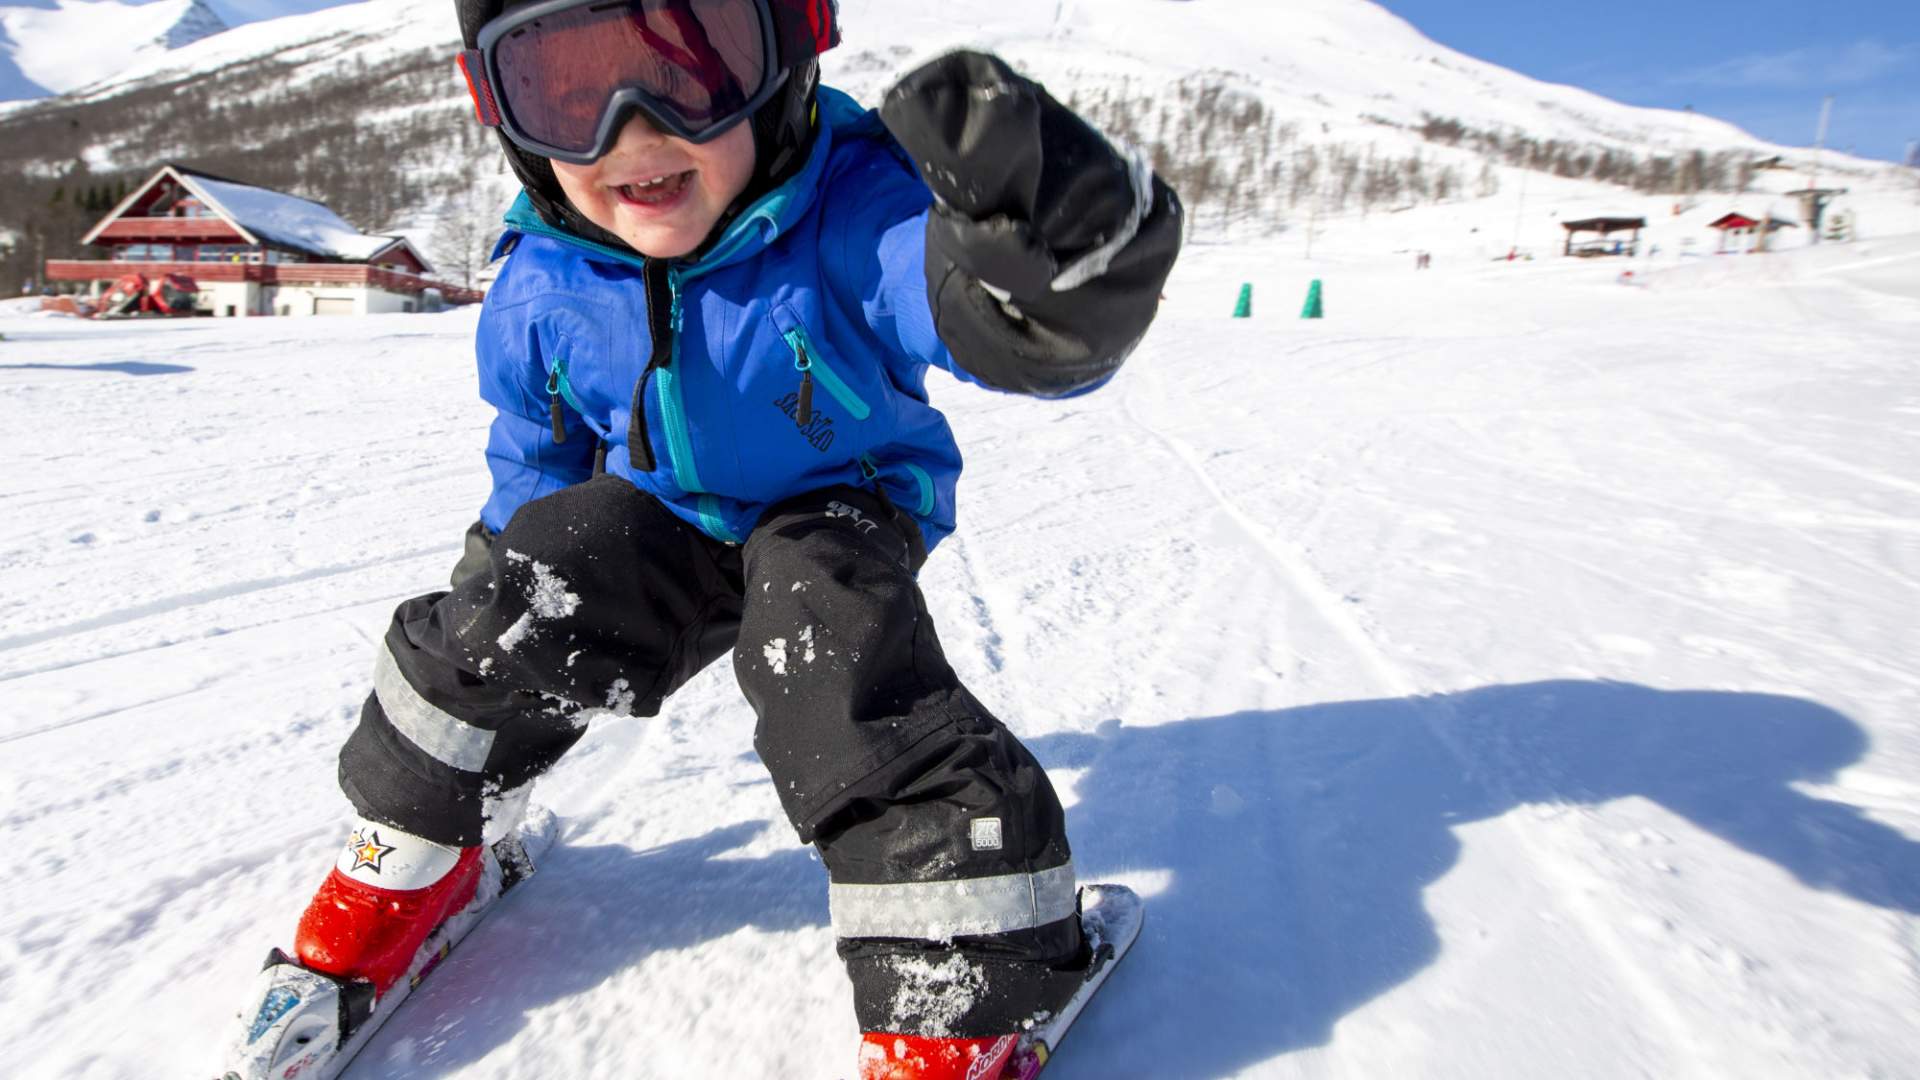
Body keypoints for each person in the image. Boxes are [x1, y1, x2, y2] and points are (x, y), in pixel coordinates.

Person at [278, 1, 1181, 1077]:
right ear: (507, 114)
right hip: (667, 513)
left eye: (691, 65)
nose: (631, 130)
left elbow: (943, 290)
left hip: (836, 500)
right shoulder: (541, 277)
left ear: (782, 59)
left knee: (824, 639)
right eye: (568, 86)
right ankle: (413, 850)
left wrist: (1057, 293)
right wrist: (498, 598)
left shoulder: (848, 204)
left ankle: (970, 967)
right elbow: (536, 447)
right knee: (528, 585)